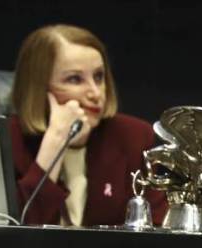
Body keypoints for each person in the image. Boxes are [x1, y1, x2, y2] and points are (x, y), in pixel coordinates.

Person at [9, 24, 166, 226]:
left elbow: (158, 229)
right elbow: (13, 229)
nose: (95, 93)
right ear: (38, 87)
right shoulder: (8, 140)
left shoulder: (133, 137)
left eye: (99, 77)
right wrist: (56, 140)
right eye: (75, 79)